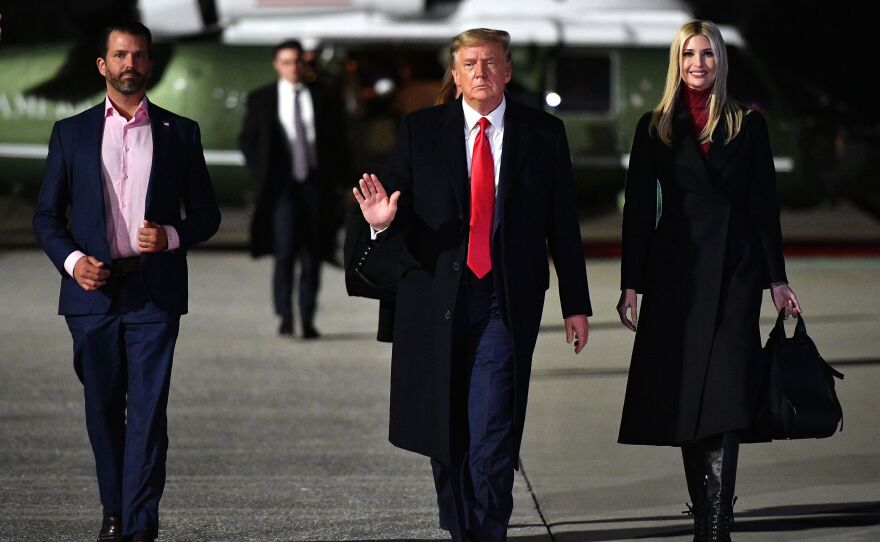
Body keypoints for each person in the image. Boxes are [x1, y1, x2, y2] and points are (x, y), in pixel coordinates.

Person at [351, 28, 592, 542]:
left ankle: (488, 530)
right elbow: (393, 214)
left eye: (490, 62)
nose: (480, 72)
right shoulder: (420, 131)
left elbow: (563, 226)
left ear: (507, 71)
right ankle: (463, 527)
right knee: (446, 428)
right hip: (435, 300)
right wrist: (380, 222)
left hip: (503, 301)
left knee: (493, 426)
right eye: (469, 63)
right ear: (455, 75)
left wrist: (576, 304)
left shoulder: (544, 134)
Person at [32, 22, 220, 542]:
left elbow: (206, 215)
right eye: (119, 55)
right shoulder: (70, 133)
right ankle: (113, 507)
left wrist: (173, 236)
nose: (129, 64)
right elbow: (47, 217)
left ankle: (137, 524)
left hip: (153, 293)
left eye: (138, 56)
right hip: (90, 293)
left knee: (148, 411)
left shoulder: (180, 133)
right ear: (102, 65)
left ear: (149, 64)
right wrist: (73, 262)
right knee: (102, 408)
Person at [615, 20, 801, 542]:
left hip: (735, 273)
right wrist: (631, 283)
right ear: (677, 62)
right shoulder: (654, 126)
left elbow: (765, 207)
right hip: (676, 276)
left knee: (722, 394)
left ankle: (717, 522)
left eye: (708, 55)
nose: (699, 63)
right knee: (683, 393)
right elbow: (637, 213)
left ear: (721, 62)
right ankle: (705, 512)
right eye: (689, 54)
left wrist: (776, 279)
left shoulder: (748, 124)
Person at [239, 39, 351, 338]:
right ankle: (285, 315)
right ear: (277, 64)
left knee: (313, 253)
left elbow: (339, 142)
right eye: (287, 62)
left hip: (315, 184)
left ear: (306, 64)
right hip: (281, 187)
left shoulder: (324, 97)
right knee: (285, 251)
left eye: (298, 61)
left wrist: (346, 181)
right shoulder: (262, 98)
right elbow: (248, 140)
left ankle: (308, 316)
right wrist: (260, 173)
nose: (293, 67)